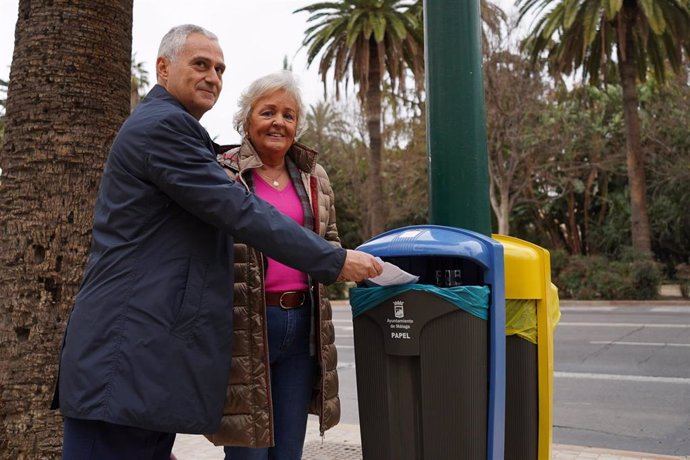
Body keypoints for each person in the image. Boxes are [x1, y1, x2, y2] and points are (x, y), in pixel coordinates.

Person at [52, 24, 382, 460]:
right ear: (163, 68)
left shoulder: (180, 130)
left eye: (220, 68)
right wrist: (335, 260)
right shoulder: (164, 128)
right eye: (201, 64)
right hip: (126, 359)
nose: (213, 76)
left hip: (148, 364)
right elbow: (240, 211)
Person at [203, 71, 343, 460]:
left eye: (288, 114)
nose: (279, 122)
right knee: (248, 451)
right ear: (246, 120)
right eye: (268, 112)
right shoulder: (223, 172)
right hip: (245, 325)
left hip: (302, 326)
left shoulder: (314, 177)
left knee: (288, 450)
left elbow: (330, 242)